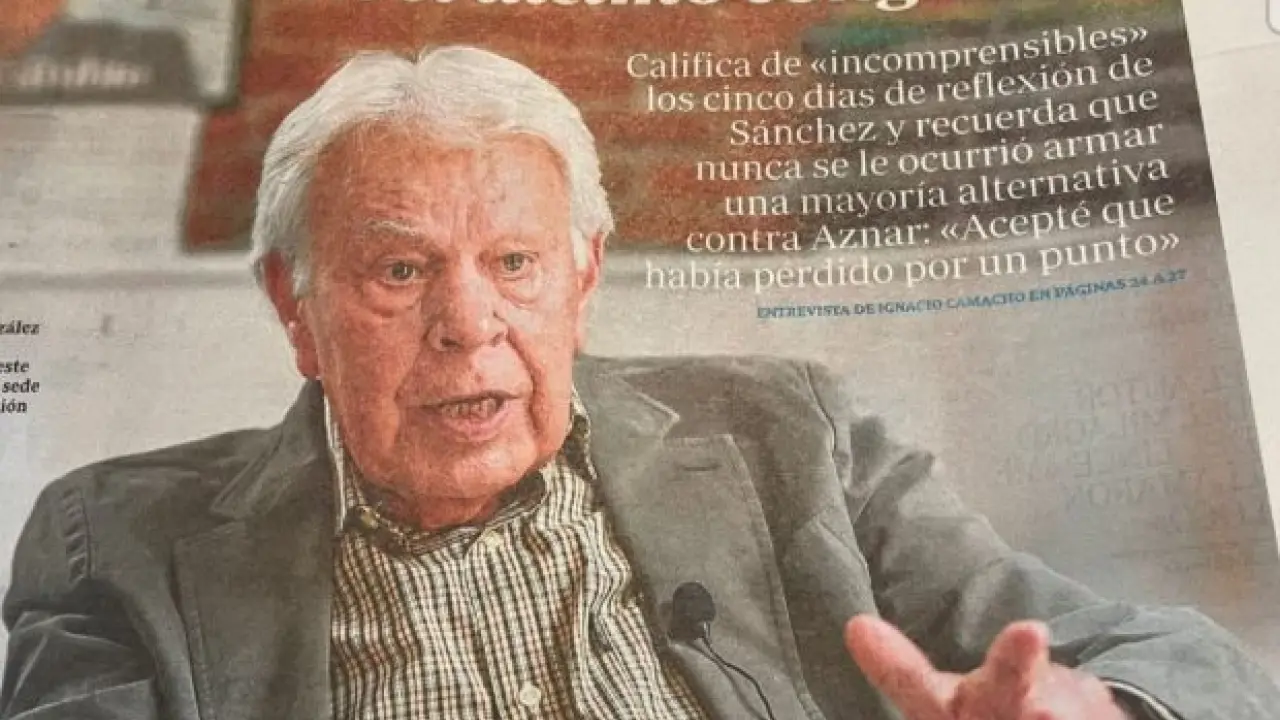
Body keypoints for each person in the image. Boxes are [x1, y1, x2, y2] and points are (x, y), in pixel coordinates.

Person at [2, 45, 1277, 720]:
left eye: (514, 263)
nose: (467, 325)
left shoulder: (788, 436)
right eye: (398, 270)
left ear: (582, 275)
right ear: (296, 305)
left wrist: (1096, 710)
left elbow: (1182, 662)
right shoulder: (115, 541)